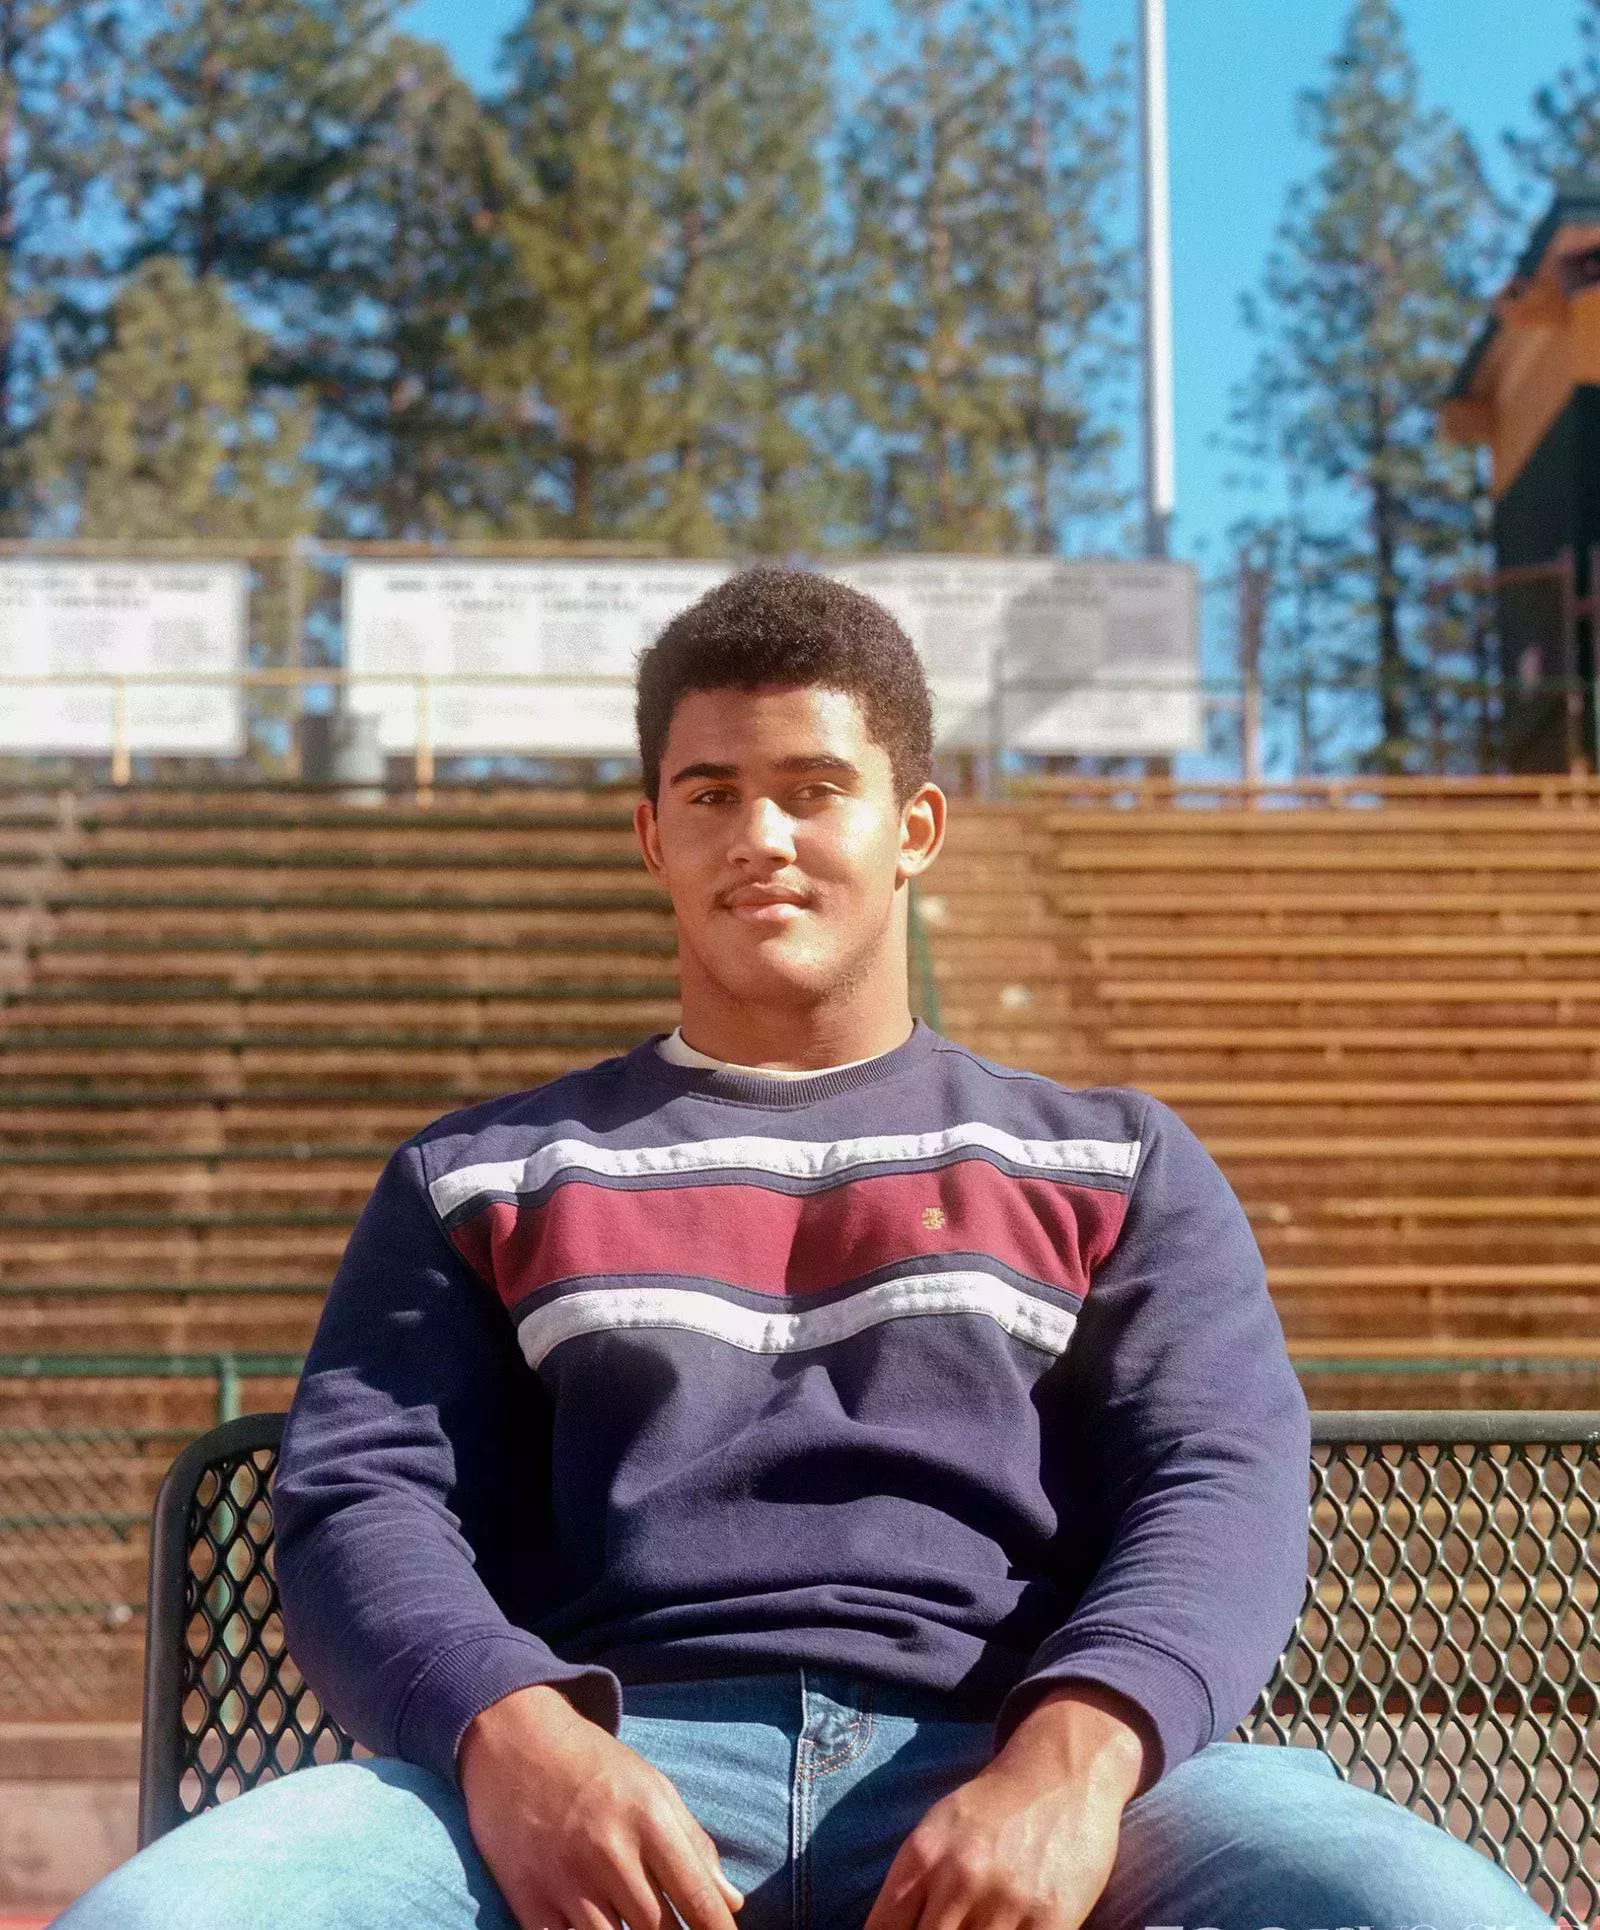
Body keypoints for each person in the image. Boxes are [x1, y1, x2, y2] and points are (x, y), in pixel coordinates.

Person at [62, 569, 1554, 1930]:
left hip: (1016, 1757)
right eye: (708, 792)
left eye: (812, 787)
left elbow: (1216, 1477)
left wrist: (1074, 1764)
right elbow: (361, 1498)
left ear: (914, 824)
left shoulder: (1114, 1159)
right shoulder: (482, 1173)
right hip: (601, 1772)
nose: (757, 836)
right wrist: (518, 1745)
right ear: (652, 833)